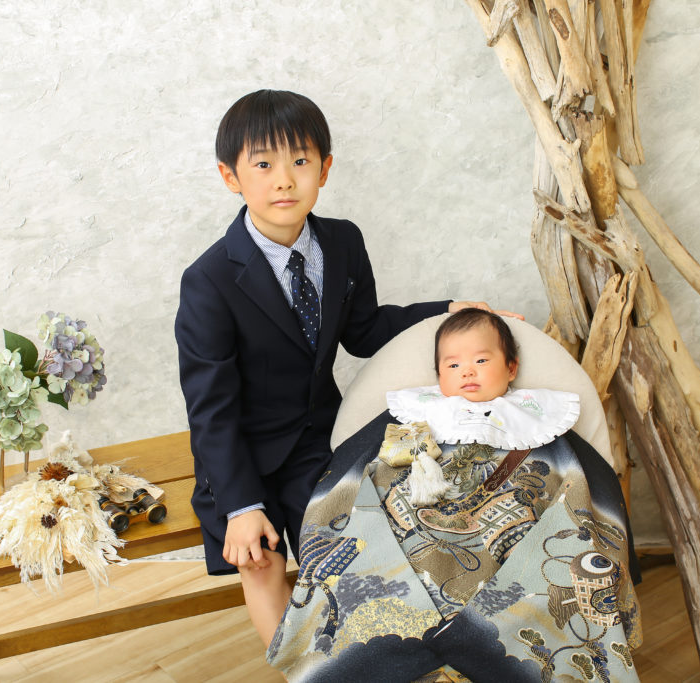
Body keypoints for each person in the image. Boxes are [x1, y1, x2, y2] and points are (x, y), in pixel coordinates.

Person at [175, 89, 520, 646]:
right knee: (259, 560)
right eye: (263, 165)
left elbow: (365, 331)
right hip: (236, 456)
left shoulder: (342, 242)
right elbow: (210, 408)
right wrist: (240, 506)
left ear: (325, 168)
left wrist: (448, 311)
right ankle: (303, 672)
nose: (284, 180)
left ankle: (372, 657)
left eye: (300, 161)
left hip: (316, 441)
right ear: (229, 176)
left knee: (349, 550)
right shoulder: (208, 280)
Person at [266, 309, 641, 681]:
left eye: (481, 360)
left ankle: (480, 651)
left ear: (511, 367)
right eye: (454, 365)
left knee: (556, 556)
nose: (468, 372)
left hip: (514, 523)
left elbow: (576, 478)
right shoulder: (416, 413)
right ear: (439, 374)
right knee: (384, 549)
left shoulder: (538, 416)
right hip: (424, 517)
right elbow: (366, 468)